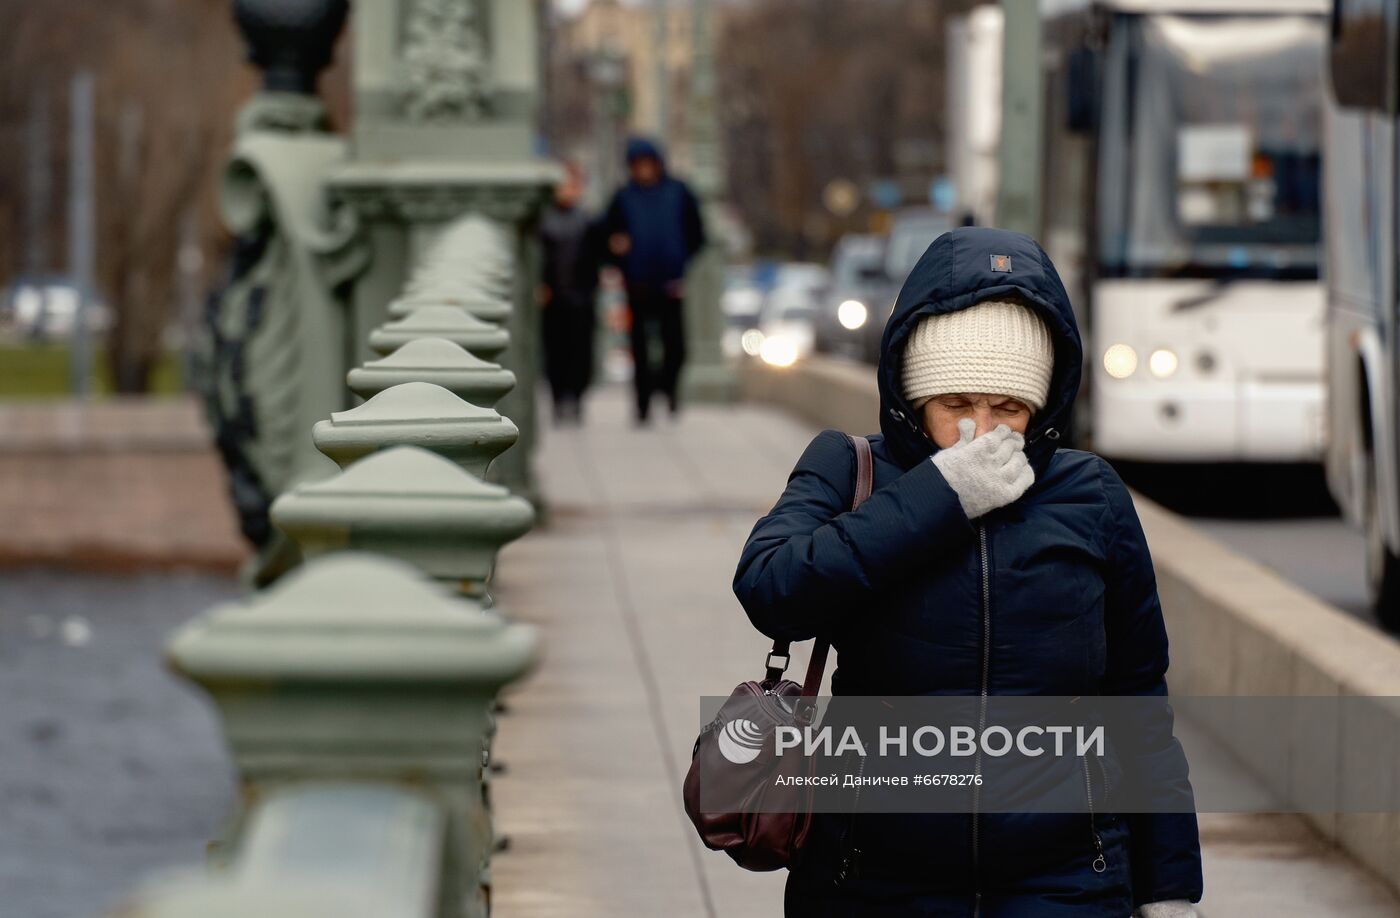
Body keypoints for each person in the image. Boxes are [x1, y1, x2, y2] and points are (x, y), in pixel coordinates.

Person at [733, 227, 1203, 917]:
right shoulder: (848, 469)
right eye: (955, 406)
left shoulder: (1091, 496)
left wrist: (1168, 887)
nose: (981, 433)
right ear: (913, 395)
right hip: (872, 881)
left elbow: (1138, 701)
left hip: (1067, 882)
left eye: (1008, 408)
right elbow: (772, 589)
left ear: (1042, 406)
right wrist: (939, 498)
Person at [602, 137, 706, 425]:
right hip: (637, 283)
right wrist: (617, 250)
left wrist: (682, 259)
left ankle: (669, 390)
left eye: (648, 164)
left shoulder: (678, 191)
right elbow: (606, 235)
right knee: (640, 348)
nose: (644, 170)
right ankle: (643, 404)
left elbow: (697, 232)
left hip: (672, 282)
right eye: (638, 165)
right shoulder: (623, 197)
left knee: (676, 346)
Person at [538, 163, 603, 425]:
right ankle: (558, 398)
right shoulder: (544, 221)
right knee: (556, 351)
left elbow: (596, 258)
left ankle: (575, 398)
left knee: (580, 352)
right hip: (553, 297)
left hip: (581, 297)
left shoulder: (587, 221)